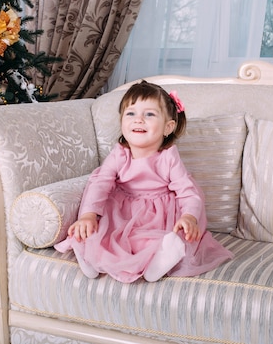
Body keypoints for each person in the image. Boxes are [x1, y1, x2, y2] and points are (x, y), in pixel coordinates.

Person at [55, 81, 233, 283]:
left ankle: (160, 261)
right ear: (122, 121)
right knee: (100, 230)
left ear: (168, 127)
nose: (138, 119)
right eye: (131, 114)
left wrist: (189, 217)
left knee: (155, 240)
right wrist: (88, 215)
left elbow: (187, 192)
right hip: (122, 212)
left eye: (149, 114)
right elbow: (100, 184)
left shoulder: (168, 157)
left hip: (156, 216)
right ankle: (88, 253)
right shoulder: (120, 153)